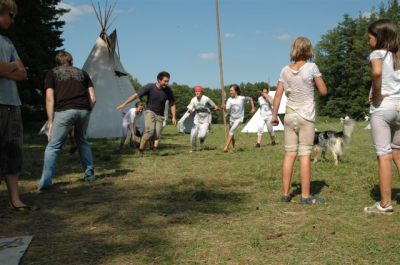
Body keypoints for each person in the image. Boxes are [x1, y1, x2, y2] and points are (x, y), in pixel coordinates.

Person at [272, 37, 327, 205]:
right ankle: (305, 196)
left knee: (289, 154)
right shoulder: (312, 67)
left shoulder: (284, 70)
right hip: (306, 116)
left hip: (289, 115)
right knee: (304, 155)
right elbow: (324, 91)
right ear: (309, 51)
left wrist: (274, 116)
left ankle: (286, 194)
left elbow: (278, 95)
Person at [38, 51, 97, 190]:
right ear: (71, 60)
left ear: (57, 62)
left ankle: (45, 183)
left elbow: (49, 98)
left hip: (64, 111)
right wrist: (87, 112)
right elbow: (93, 98)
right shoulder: (83, 73)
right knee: (82, 141)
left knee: (53, 146)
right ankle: (90, 176)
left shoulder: (52, 73)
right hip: (84, 110)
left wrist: (50, 121)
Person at [364, 19, 400, 214]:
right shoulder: (398, 55)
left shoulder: (377, 53)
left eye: (370, 38)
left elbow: (377, 73)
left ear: (379, 38)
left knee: (384, 155)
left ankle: (385, 204)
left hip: (383, 108)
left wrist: (376, 94)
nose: (368, 41)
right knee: (398, 153)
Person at [0, 0, 30, 210]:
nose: (13, 20)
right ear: (4, 12)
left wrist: (6, 68)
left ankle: (15, 199)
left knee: (13, 151)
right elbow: (12, 69)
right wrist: (12, 67)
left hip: (12, 103)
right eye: (12, 16)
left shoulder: (7, 42)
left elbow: (23, 73)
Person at [116, 71, 177, 156]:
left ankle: (148, 145)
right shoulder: (150, 87)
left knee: (156, 135)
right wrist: (124, 104)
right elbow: (136, 95)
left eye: (168, 81)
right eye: (165, 81)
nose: (167, 83)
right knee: (149, 131)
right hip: (150, 112)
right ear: (159, 80)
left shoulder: (168, 90)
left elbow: (173, 103)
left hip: (160, 115)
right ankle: (141, 150)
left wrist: (174, 116)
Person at [222, 84, 255, 152]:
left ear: (236, 91)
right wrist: (224, 108)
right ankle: (232, 144)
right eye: (230, 91)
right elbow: (227, 111)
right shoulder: (229, 100)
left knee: (231, 131)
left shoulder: (242, 98)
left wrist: (253, 108)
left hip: (239, 119)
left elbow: (250, 98)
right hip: (231, 119)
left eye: (231, 90)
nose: (230, 92)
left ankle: (226, 147)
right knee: (231, 133)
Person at [186, 86, 218, 152]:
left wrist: (216, 107)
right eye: (196, 91)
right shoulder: (193, 99)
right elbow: (190, 108)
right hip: (197, 118)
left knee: (202, 135)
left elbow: (214, 105)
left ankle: (202, 138)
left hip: (206, 118)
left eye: (199, 91)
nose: (197, 93)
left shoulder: (206, 99)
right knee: (193, 134)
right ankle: (193, 148)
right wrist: (190, 111)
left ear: (201, 92)